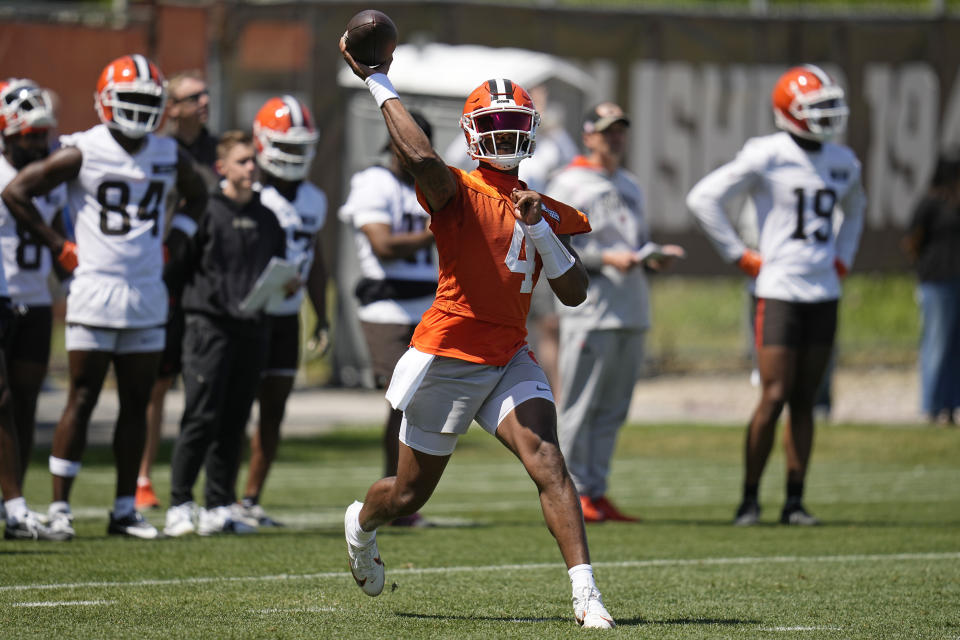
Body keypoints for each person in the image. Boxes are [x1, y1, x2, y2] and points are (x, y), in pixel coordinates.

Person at [340, 34, 616, 629]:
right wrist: (378, 82)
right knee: (409, 495)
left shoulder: (541, 205)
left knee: (548, 462)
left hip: (509, 356)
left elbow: (575, 292)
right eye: (493, 123)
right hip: (449, 355)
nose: (506, 135)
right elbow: (420, 161)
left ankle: (587, 594)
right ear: (469, 133)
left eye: (514, 122)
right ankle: (362, 522)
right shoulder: (456, 191)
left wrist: (540, 228)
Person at [1, 55, 208, 540]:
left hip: (145, 290)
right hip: (94, 287)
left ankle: (122, 509)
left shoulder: (167, 154)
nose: (137, 109)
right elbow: (16, 192)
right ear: (105, 103)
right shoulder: (81, 150)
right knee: (83, 397)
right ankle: (60, 508)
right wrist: (60, 246)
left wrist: (174, 243)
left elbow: (199, 196)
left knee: (137, 401)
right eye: (129, 99)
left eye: (145, 100)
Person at [686, 64, 865, 526]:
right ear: (790, 112)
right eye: (817, 107)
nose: (827, 116)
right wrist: (739, 255)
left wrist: (842, 256)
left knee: (806, 398)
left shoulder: (844, 161)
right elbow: (704, 197)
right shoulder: (768, 153)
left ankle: (795, 501)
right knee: (775, 394)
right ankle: (749, 499)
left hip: (824, 290)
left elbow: (857, 209)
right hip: (779, 289)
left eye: (830, 106)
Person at [547, 102, 684, 524]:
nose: (615, 138)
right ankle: (570, 495)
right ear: (587, 135)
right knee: (579, 407)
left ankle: (596, 491)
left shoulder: (630, 183)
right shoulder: (567, 182)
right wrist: (607, 258)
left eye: (620, 131)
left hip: (631, 307)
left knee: (613, 410)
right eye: (606, 131)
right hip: (590, 307)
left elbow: (634, 240)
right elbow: (552, 245)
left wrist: (649, 258)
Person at [163, 130, 286, 537]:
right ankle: (180, 503)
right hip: (208, 327)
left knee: (235, 420)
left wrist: (287, 283)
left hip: (253, 329)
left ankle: (218, 504)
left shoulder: (267, 217)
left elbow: (278, 266)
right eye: (242, 161)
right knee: (200, 416)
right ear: (222, 168)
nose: (251, 168)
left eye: (253, 160)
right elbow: (178, 270)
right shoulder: (204, 211)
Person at [338, 110, 437, 526]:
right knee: (404, 398)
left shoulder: (433, 184)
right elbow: (382, 245)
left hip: (430, 307)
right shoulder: (373, 182)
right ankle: (394, 492)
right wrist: (438, 230)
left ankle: (401, 495)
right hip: (387, 307)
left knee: (420, 404)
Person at [237, 95, 329, 527]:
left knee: (272, 411)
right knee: (232, 408)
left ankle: (250, 498)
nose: (292, 156)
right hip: (245, 317)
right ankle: (216, 495)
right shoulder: (249, 193)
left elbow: (317, 260)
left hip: (286, 318)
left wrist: (322, 315)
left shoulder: (313, 199)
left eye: (298, 147)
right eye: (284, 147)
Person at [136, 69, 220, 512]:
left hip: (208, 281)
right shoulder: (159, 148)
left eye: (206, 94)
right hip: (166, 278)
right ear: (174, 107)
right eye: (193, 96)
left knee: (206, 385)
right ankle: (143, 477)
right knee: (157, 383)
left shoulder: (216, 149)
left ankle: (205, 487)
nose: (204, 101)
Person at [0, 78, 69, 541]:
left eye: (41, 134)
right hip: (2, 297)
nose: (37, 143)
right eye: (28, 135)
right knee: (2, 399)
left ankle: (15, 502)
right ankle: (15, 504)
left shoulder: (50, 171)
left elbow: (62, 228)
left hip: (37, 299)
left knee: (24, 403)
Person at [903, 149, 960, 425]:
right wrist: (924, 268)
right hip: (936, 282)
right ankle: (932, 406)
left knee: (955, 346)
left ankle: (950, 406)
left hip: (957, 280)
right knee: (936, 343)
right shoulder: (930, 204)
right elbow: (913, 240)